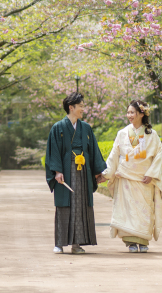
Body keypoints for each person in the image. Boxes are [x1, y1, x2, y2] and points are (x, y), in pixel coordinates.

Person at [45, 92, 107, 254]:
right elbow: (54, 152)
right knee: (64, 206)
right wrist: (57, 171)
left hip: (83, 173)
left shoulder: (85, 128)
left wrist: (97, 173)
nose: (83, 109)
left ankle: (76, 244)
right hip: (65, 171)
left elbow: (93, 151)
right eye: (80, 106)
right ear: (71, 107)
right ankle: (59, 243)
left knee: (80, 206)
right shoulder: (58, 128)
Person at [101, 100, 162, 253]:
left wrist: (151, 174)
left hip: (144, 179)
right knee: (127, 209)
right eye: (128, 112)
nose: (129, 115)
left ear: (141, 114)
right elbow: (114, 155)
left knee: (144, 209)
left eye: (132, 112)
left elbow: (158, 155)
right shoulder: (122, 133)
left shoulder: (152, 134)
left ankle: (143, 240)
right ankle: (130, 242)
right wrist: (106, 173)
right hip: (126, 178)